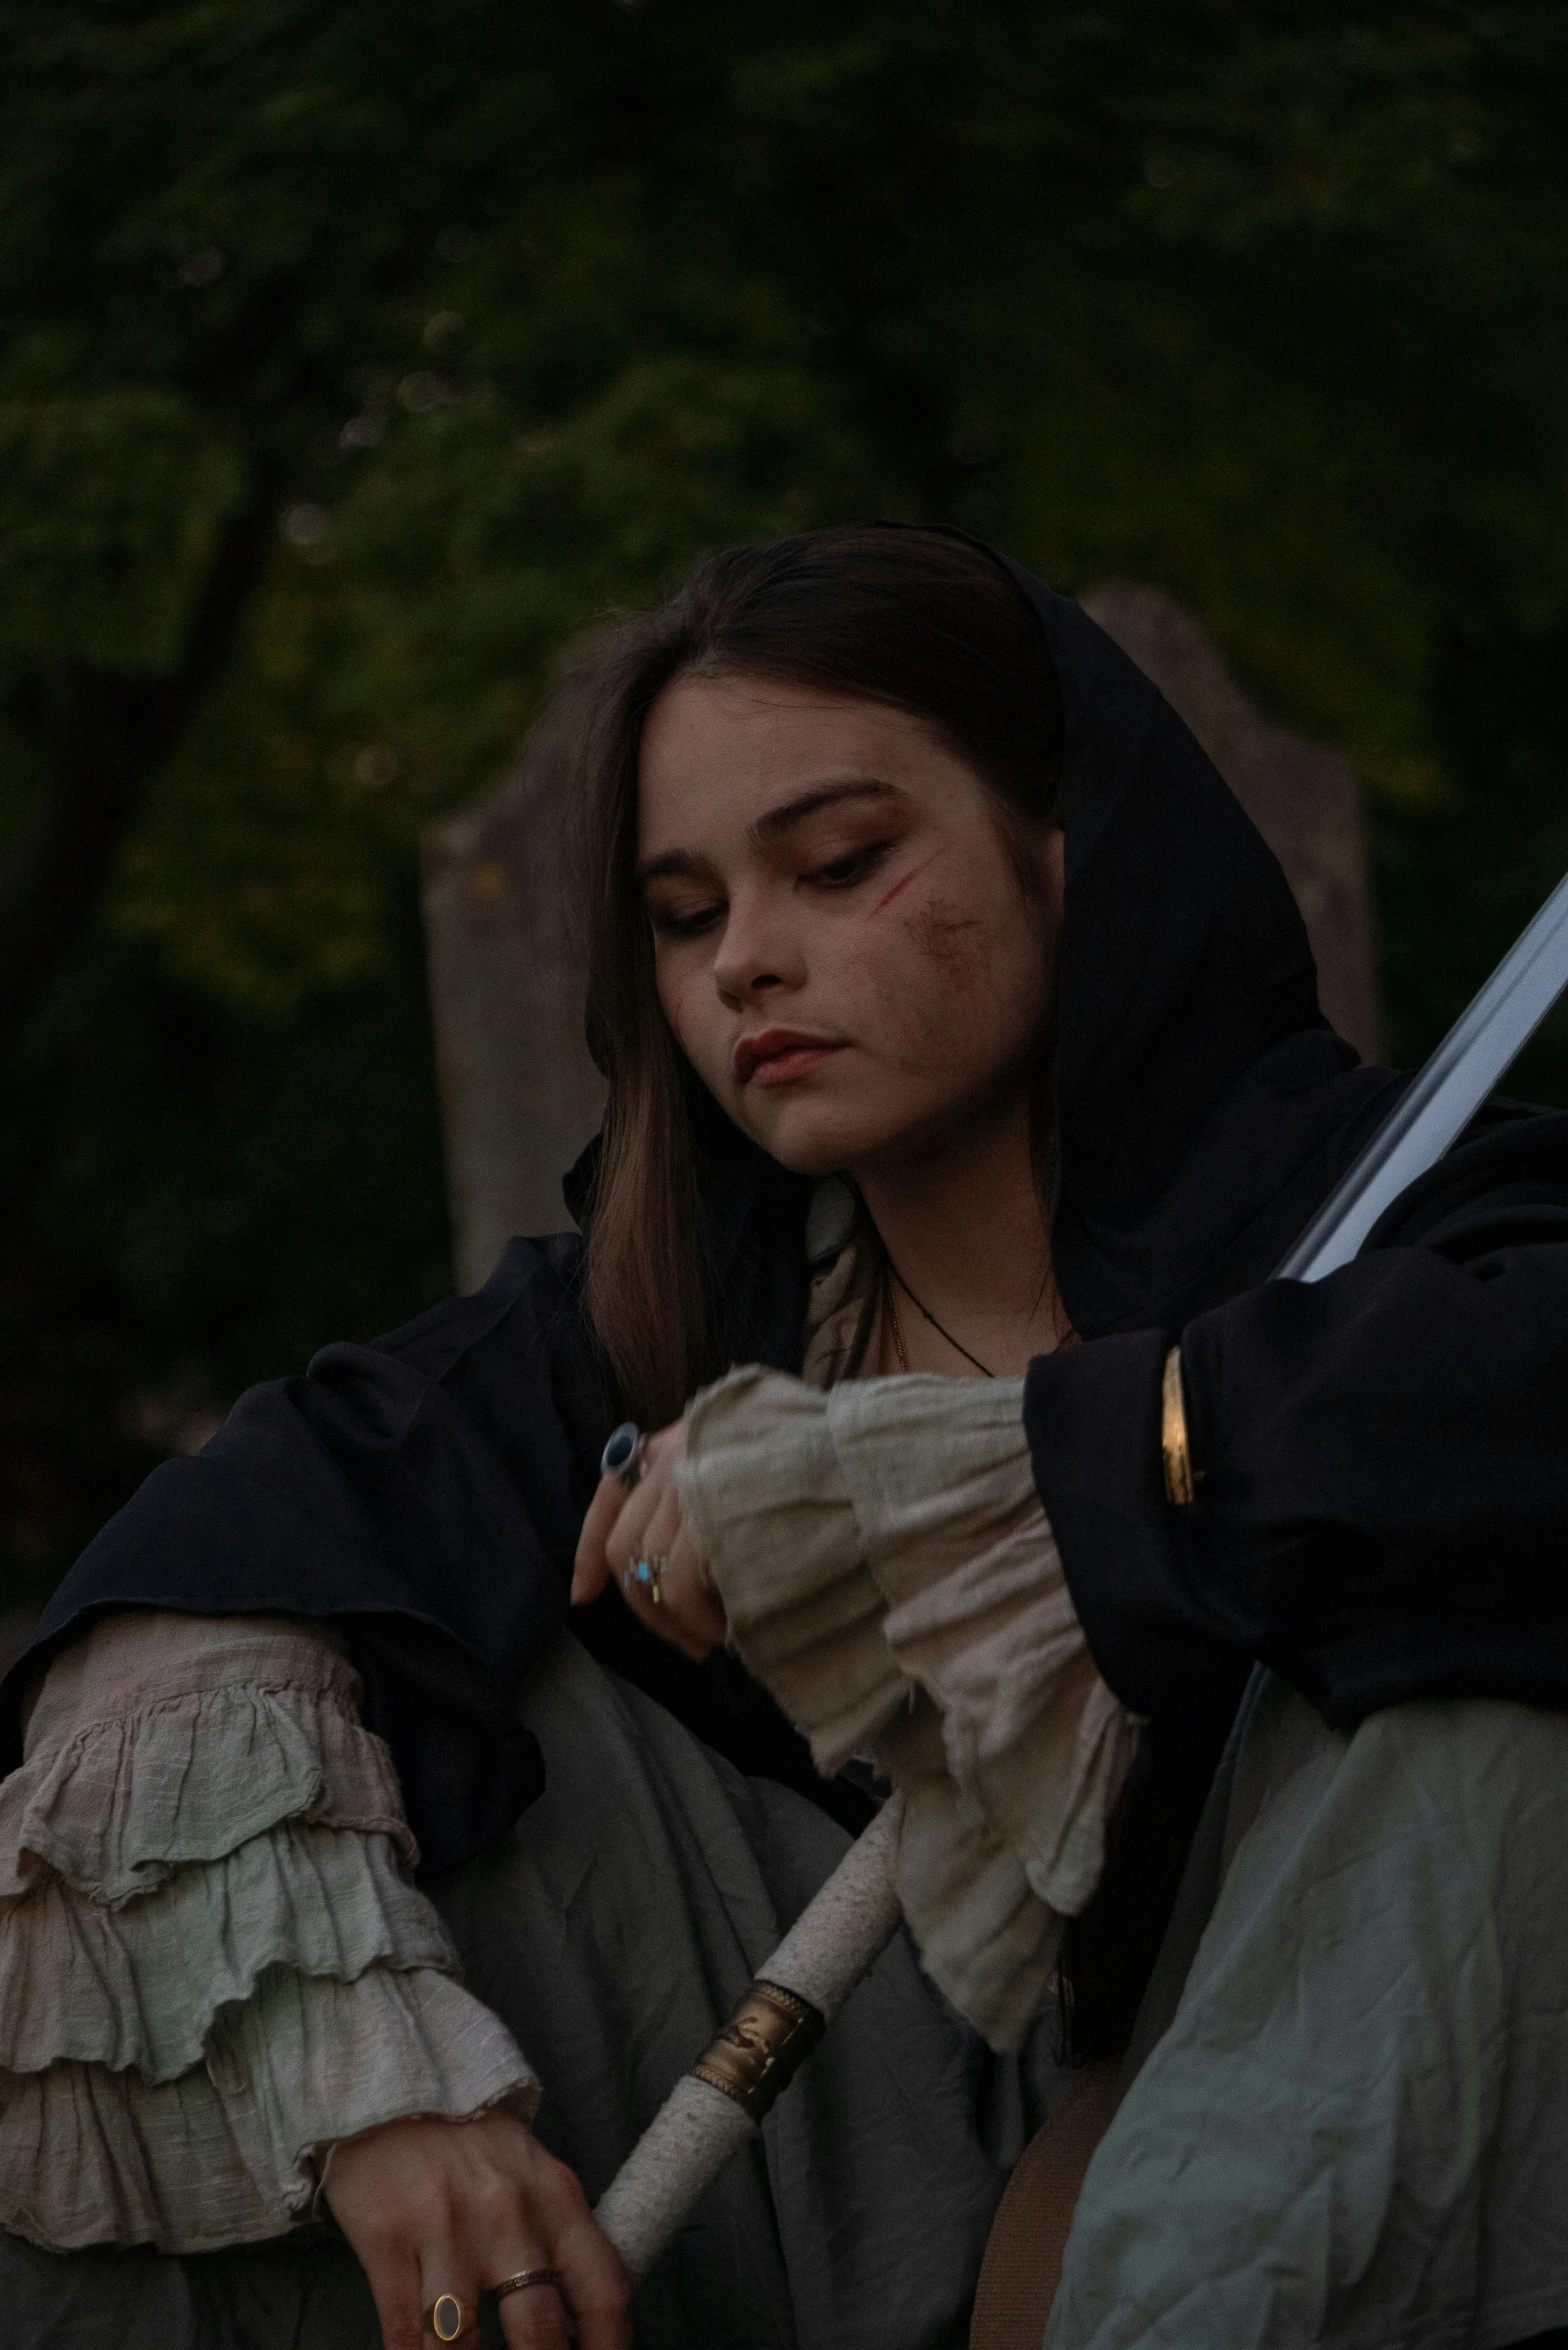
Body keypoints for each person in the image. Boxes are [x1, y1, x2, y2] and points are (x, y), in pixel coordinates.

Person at [3, 526, 1568, 2350]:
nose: (749, 961)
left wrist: (956, 1488)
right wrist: (363, 2076)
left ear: (1072, 851)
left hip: (1323, 2123)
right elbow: (219, 1557)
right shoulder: (656, 1317)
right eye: (685, 915)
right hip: (832, 2178)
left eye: (838, 864)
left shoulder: (1396, 1217)